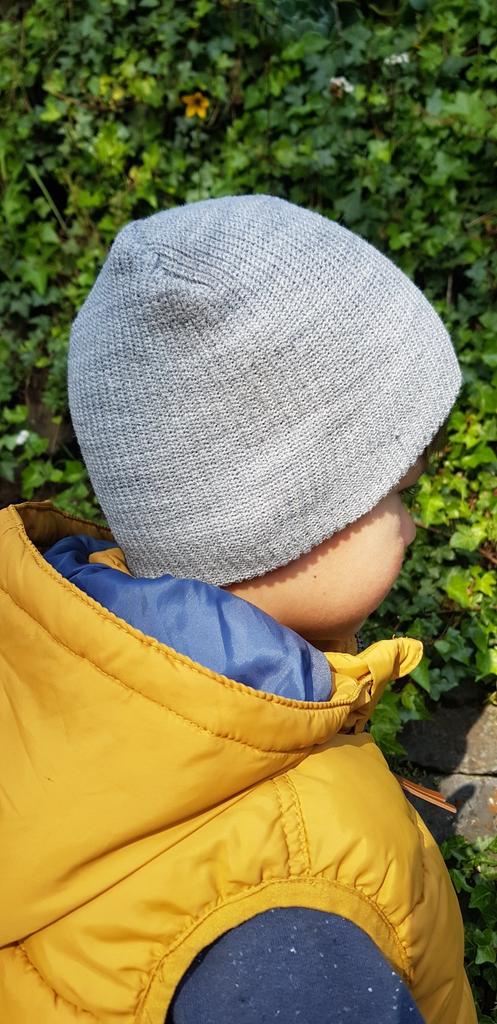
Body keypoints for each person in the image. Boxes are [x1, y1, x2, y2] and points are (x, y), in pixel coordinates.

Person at [0, 194, 477, 1023]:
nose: (411, 522)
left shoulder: (64, 644)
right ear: (274, 512)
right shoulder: (288, 945)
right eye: (394, 492)